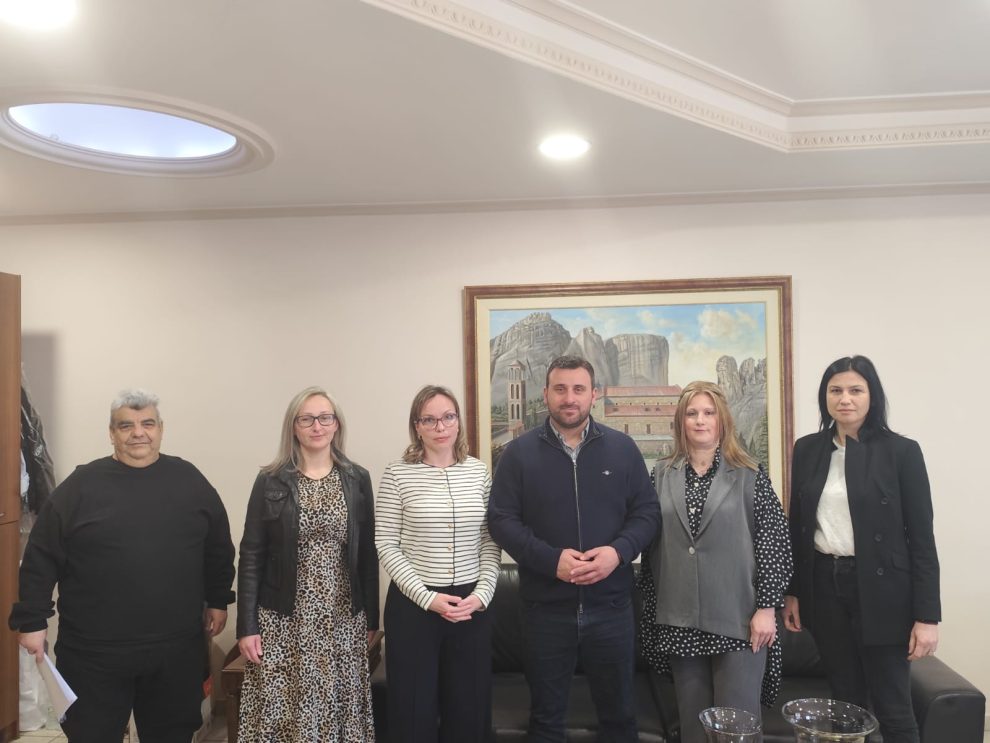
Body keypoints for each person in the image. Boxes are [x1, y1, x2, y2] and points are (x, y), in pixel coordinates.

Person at [9, 389, 235, 743]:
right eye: (126, 426)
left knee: (171, 735)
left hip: (175, 649)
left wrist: (219, 599)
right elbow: (41, 557)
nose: (138, 433)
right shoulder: (80, 488)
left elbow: (218, 546)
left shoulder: (190, 481)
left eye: (147, 423)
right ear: (111, 433)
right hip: (93, 652)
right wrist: (32, 621)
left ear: (161, 429)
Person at [488, 355, 659, 743]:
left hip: (612, 609)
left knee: (619, 721)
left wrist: (617, 553)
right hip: (544, 612)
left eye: (579, 389)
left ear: (593, 394)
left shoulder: (622, 449)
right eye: (560, 389)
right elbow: (501, 520)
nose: (570, 398)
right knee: (546, 722)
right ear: (546, 394)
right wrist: (552, 561)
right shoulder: (518, 454)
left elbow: (647, 514)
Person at [783, 356, 939, 743]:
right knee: (845, 703)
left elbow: (922, 539)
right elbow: (797, 526)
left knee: (893, 706)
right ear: (825, 397)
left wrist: (927, 616)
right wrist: (793, 591)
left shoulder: (901, 451)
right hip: (824, 585)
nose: (845, 399)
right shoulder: (807, 449)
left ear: (873, 396)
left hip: (883, 591)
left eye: (856, 390)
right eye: (835, 390)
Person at [639, 381, 792, 743]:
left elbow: (774, 545)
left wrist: (766, 609)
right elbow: (649, 545)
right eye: (691, 413)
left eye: (708, 413)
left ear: (722, 420)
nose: (700, 420)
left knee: (736, 728)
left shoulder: (750, 474)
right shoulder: (660, 475)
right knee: (694, 728)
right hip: (679, 618)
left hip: (738, 619)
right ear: (680, 421)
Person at [236, 386, 378, 742]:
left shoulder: (357, 479)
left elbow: (367, 553)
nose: (317, 426)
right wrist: (247, 626)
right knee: (284, 707)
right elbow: (251, 554)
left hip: (341, 616)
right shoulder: (270, 480)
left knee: (337, 703)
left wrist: (371, 619)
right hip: (283, 618)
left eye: (325, 418)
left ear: (336, 424)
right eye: (307, 419)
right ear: (293, 426)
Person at [375, 385, 501, 742]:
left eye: (448, 417)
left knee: (469, 710)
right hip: (415, 607)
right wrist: (428, 598)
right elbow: (386, 543)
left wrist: (483, 593)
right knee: (413, 711)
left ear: (458, 421)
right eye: (429, 420)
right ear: (416, 426)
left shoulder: (478, 472)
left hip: (470, 606)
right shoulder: (398, 474)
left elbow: (490, 539)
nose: (440, 426)